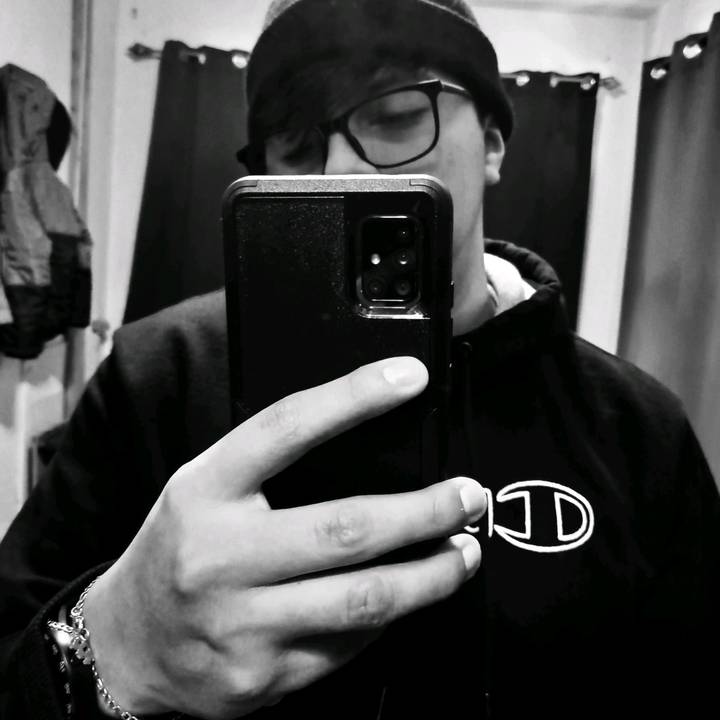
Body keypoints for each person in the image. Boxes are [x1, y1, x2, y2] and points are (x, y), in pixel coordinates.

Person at [1, 0, 719, 718]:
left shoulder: (638, 429)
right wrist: (112, 649)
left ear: (493, 145)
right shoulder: (156, 373)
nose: (340, 168)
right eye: (294, 141)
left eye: (398, 116)